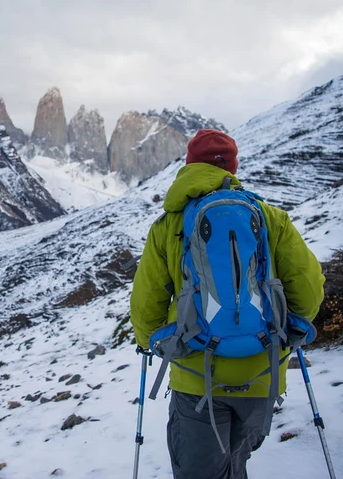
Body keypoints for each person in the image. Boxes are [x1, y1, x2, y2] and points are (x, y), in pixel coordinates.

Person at [130, 129, 325, 479]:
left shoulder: (167, 226)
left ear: (188, 166)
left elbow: (147, 304)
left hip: (195, 375)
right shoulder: (270, 218)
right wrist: (291, 328)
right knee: (236, 463)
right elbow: (309, 289)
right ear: (231, 168)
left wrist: (150, 342)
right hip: (263, 373)